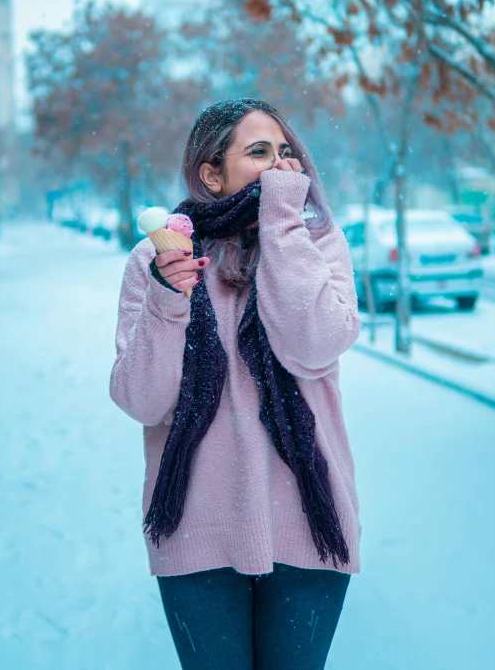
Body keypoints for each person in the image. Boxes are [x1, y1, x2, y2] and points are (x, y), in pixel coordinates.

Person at [109, 98, 362, 669]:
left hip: (308, 521)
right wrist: (168, 301)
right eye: (258, 152)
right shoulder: (156, 261)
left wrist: (281, 226)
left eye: (286, 151)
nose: (280, 165)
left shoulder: (316, 245)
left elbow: (312, 344)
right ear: (211, 173)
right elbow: (143, 400)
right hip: (196, 528)